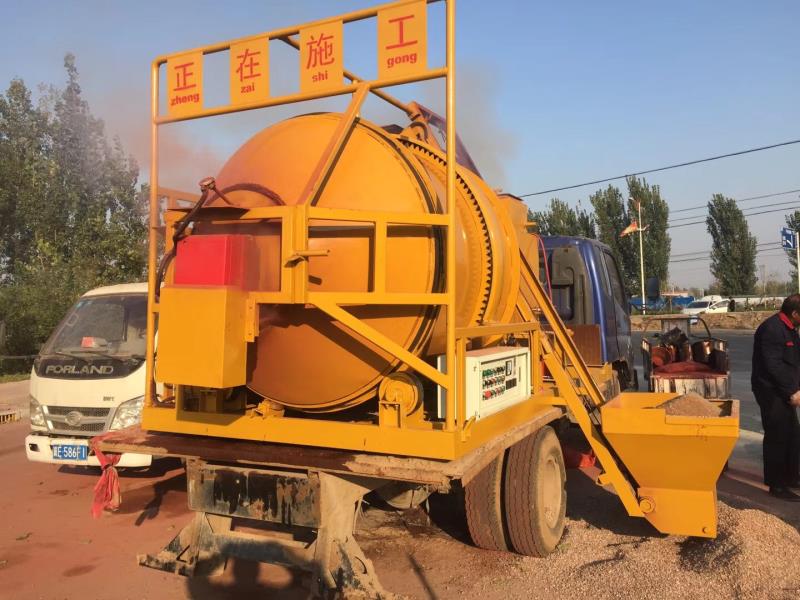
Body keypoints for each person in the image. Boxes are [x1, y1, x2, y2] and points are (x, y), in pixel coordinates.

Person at [751, 294, 800, 501]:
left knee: (792, 435)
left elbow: (794, 362)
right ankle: (777, 485)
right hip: (771, 391)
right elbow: (774, 366)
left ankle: (791, 478)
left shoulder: (790, 329)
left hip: (785, 390)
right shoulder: (772, 329)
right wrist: (792, 391)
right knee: (777, 437)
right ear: (795, 313)